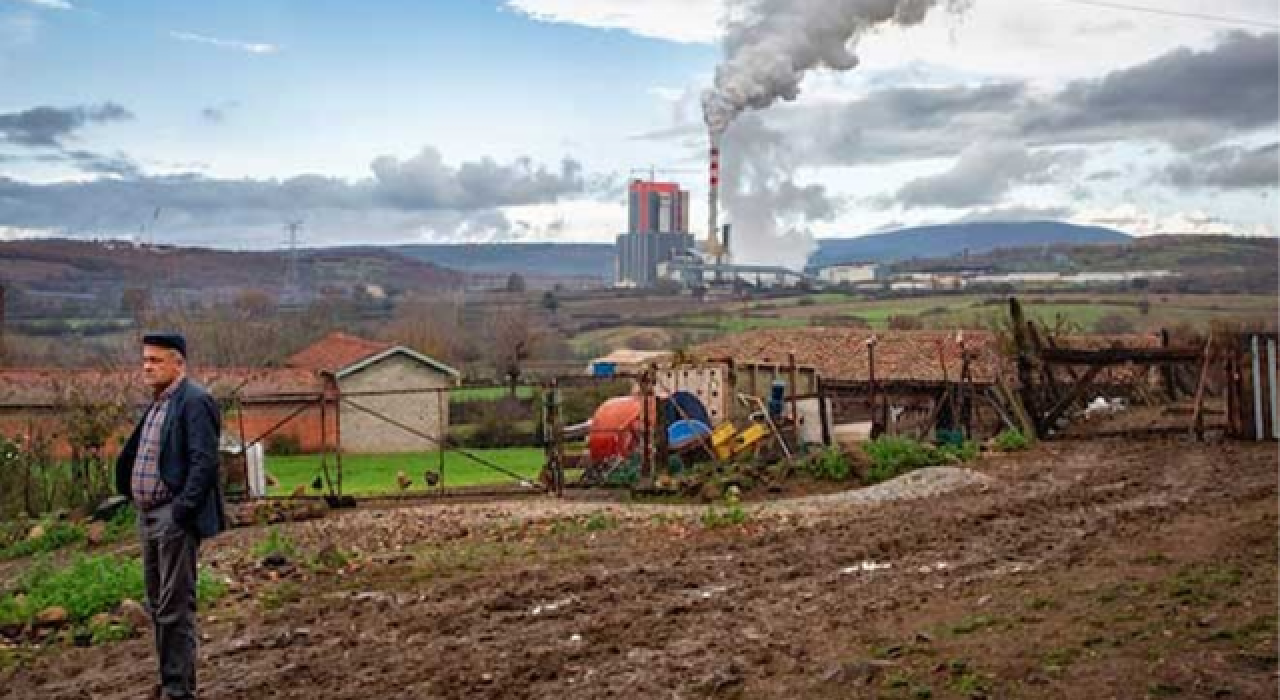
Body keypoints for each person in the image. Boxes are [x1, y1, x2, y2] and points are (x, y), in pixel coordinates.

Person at [115, 332, 226, 700]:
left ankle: (179, 690)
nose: (147, 366)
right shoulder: (158, 403)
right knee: (158, 604)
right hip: (148, 516)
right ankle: (169, 682)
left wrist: (181, 512)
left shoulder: (195, 401)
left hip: (172, 518)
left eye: (156, 360)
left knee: (175, 607)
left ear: (178, 363)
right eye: (145, 359)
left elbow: (204, 462)